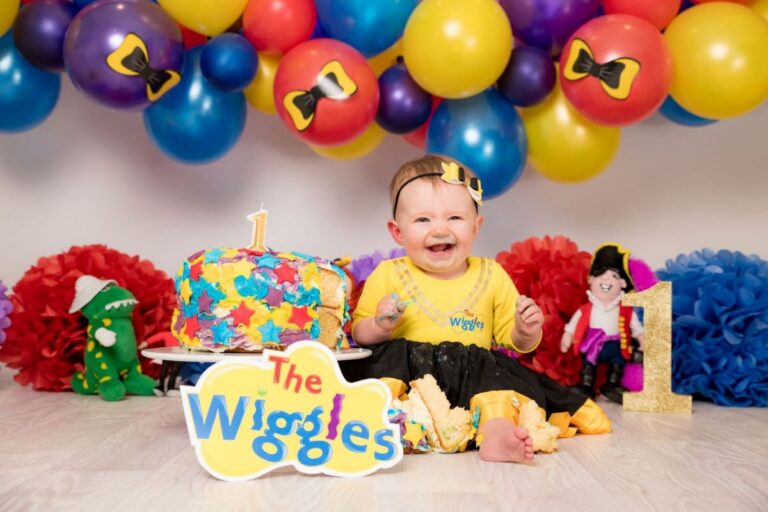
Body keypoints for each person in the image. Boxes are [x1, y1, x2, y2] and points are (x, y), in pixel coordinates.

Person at [344, 155, 611, 463]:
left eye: (454, 218)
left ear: (475, 227)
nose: (440, 229)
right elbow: (360, 335)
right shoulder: (389, 273)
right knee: (374, 389)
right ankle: (387, 428)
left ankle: (496, 436)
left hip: (474, 374)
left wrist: (525, 330)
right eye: (423, 220)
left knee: (497, 385)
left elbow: (514, 342)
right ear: (398, 232)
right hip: (408, 372)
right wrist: (380, 325)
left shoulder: (491, 274)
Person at [560, 243, 645, 404]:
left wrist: (641, 340)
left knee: (617, 365)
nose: (606, 278)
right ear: (591, 280)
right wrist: (567, 335)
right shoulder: (586, 309)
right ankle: (586, 386)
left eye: (613, 275)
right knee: (588, 366)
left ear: (623, 284)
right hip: (592, 343)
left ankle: (612, 385)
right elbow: (573, 325)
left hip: (616, 345)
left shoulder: (626, 310)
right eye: (601, 274)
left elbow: (636, 329)